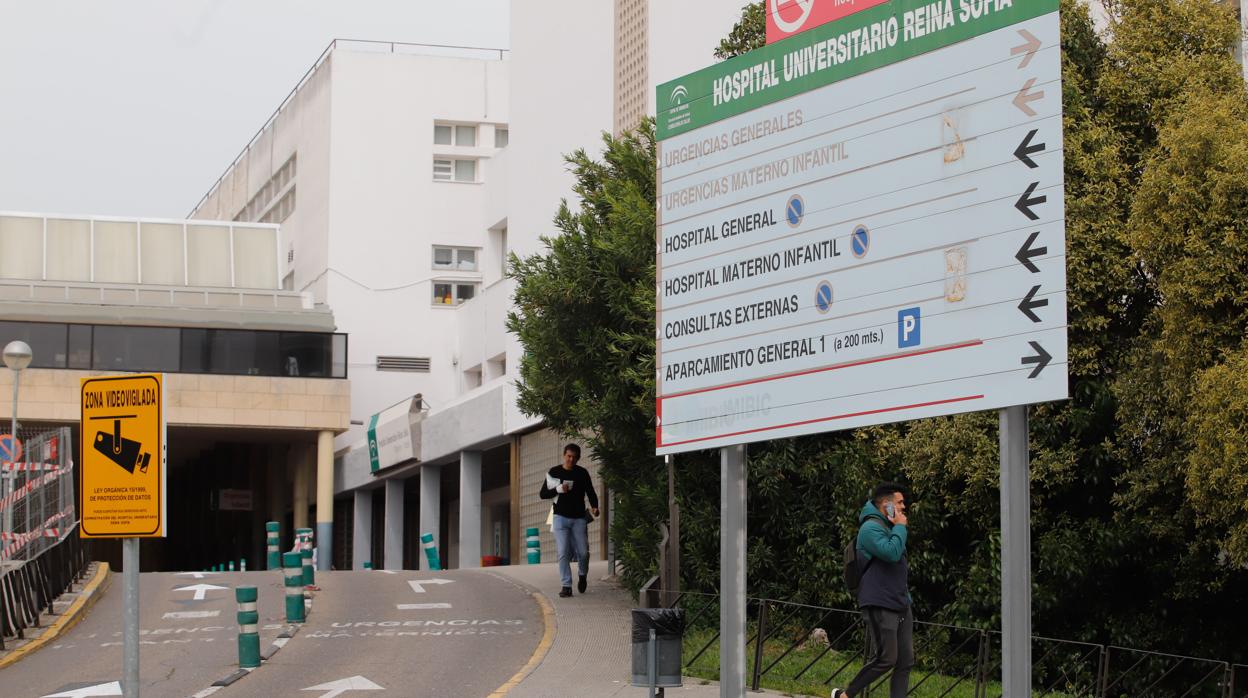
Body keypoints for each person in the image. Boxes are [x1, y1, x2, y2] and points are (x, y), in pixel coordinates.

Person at [832, 483, 913, 698]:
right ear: (887, 505)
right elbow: (891, 553)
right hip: (880, 602)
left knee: (905, 661)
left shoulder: (889, 526)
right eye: (899, 502)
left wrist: (906, 598)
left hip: (900, 603)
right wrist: (900, 527)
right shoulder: (869, 529)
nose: (903, 507)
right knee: (886, 658)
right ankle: (845, 695)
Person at [538, 443, 600, 598]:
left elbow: (590, 491)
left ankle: (582, 574)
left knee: (583, 552)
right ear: (564, 455)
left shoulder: (582, 473)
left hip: (579, 518)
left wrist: (595, 506)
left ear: (578, 458)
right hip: (560, 517)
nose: (571, 459)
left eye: (574, 457)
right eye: (569, 456)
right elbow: (543, 494)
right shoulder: (554, 472)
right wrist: (558, 489)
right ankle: (566, 585)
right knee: (563, 551)